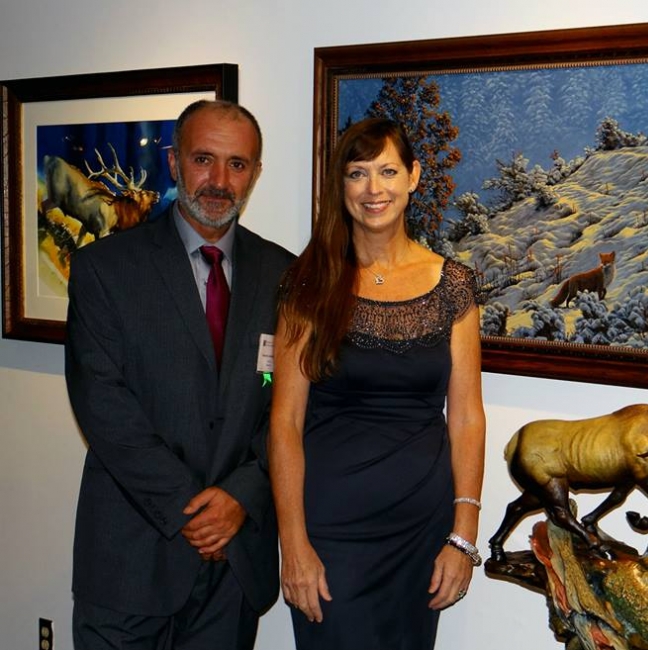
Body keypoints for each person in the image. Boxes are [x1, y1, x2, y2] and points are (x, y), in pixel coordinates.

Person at [65, 99, 295, 650]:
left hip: (234, 567)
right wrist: (191, 512)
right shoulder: (105, 269)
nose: (219, 181)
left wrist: (241, 496)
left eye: (237, 164)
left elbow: (291, 407)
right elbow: (103, 406)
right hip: (129, 560)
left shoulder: (286, 275)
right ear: (174, 162)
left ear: (255, 174)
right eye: (203, 159)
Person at [269, 117, 486, 649]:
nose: (373, 189)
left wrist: (463, 535)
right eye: (357, 173)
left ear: (413, 177)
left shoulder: (454, 285)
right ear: (341, 186)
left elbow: (466, 417)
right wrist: (292, 543)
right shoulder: (309, 283)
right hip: (331, 532)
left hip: (421, 533)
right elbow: (284, 423)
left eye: (387, 171)